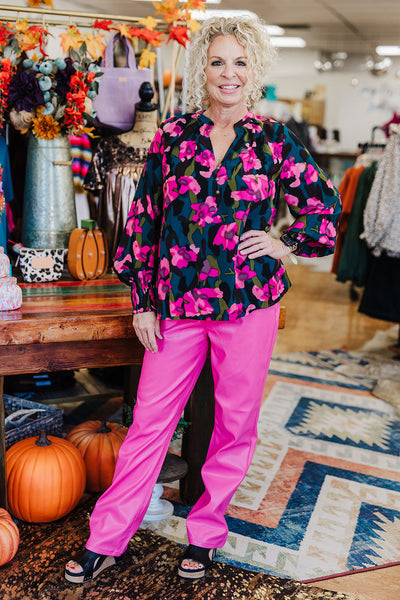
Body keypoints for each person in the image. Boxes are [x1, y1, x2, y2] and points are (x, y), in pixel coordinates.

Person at [65, 15, 341, 584]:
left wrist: (283, 242)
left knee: (234, 426)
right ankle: (107, 537)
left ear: (254, 71)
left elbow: (323, 209)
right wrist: (142, 300)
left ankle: (206, 533)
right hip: (176, 305)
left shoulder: (272, 139)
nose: (228, 73)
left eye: (240, 62)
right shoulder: (173, 136)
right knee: (148, 422)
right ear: (202, 70)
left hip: (250, 304)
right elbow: (144, 224)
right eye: (217, 61)